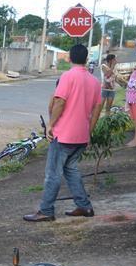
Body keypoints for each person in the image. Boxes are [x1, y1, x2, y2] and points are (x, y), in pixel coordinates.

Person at [24, 44, 103, 222]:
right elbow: (98, 108)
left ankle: (46, 210)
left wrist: (50, 125)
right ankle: (84, 206)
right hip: (81, 135)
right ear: (85, 58)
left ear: (70, 58)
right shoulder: (94, 81)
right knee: (71, 169)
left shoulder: (67, 76)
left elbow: (59, 102)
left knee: (53, 173)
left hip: (64, 133)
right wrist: (89, 130)